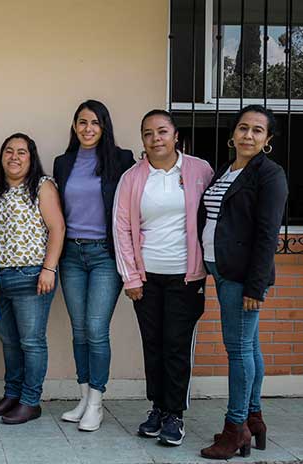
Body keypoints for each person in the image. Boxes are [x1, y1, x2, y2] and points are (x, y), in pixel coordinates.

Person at [113, 109, 213, 446]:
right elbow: (122, 228)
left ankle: (175, 414)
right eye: (148, 133)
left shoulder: (200, 170)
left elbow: (214, 218)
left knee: (177, 346)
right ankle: (157, 407)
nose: (156, 138)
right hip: (147, 278)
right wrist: (131, 278)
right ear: (143, 140)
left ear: (175, 136)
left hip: (186, 277)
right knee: (153, 345)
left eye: (162, 131)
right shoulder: (132, 177)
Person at [199, 105, 288, 460]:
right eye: (243, 128)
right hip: (220, 271)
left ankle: (236, 428)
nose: (248, 135)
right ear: (233, 133)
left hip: (241, 277)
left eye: (256, 131)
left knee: (237, 350)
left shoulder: (270, 175)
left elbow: (268, 235)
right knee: (248, 347)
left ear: (267, 140)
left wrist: (255, 286)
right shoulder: (227, 170)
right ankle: (254, 419)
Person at [53, 100, 135, 431]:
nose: (88, 129)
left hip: (104, 254)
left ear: (104, 127)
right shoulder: (63, 162)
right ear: (74, 126)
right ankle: (84, 396)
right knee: (79, 330)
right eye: (82, 122)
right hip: (71, 254)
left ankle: (97, 403)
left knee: (96, 328)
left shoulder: (121, 159)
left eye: (95, 123)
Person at [0, 133, 65, 424]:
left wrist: (49, 269)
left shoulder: (42, 186)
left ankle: (31, 401)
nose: (14, 157)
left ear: (31, 158)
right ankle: (12, 395)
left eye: (22, 152)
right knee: (8, 341)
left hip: (31, 275)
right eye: (9, 151)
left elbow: (57, 228)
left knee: (31, 341)